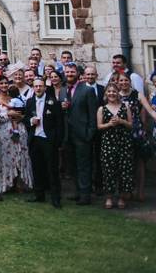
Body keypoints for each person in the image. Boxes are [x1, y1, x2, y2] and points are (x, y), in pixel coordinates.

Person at [24, 77, 63, 208]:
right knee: (36, 168)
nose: (38, 88)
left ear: (45, 88)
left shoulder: (53, 102)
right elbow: (25, 119)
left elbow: (59, 123)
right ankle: (39, 194)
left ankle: (55, 198)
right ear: (33, 88)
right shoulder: (29, 102)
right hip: (35, 139)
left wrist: (57, 141)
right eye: (36, 86)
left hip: (48, 140)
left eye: (40, 86)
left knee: (52, 169)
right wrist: (31, 121)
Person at [63, 64, 97, 205]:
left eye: (72, 71)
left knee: (84, 165)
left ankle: (85, 194)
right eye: (67, 71)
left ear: (77, 73)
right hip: (68, 134)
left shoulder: (87, 90)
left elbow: (93, 114)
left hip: (82, 134)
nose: (69, 74)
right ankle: (77, 191)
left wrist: (89, 133)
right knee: (72, 165)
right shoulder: (63, 91)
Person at [97, 82, 134, 209]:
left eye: (114, 91)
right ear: (106, 94)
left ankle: (122, 198)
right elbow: (99, 126)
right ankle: (109, 197)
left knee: (124, 170)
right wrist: (109, 124)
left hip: (123, 142)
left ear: (118, 93)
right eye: (109, 91)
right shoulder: (102, 108)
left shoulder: (125, 107)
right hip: (108, 143)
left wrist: (121, 121)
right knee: (109, 170)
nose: (112, 93)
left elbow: (131, 125)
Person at [0, 75, 32, 194]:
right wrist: (8, 114)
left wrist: (20, 116)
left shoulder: (15, 97)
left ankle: (19, 182)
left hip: (18, 129)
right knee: (6, 157)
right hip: (3, 131)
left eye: (6, 83)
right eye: (1, 83)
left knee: (20, 155)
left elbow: (24, 112)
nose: (4, 85)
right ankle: (7, 183)